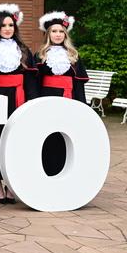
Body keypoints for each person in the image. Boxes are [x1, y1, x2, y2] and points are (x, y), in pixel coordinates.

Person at [0, 3, 37, 204]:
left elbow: (31, 80)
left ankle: (11, 184)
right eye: (3, 26)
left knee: (16, 140)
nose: (7, 29)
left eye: (11, 25)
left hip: (18, 98)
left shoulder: (24, 51)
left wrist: (30, 103)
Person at [36, 11, 88, 176]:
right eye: (54, 31)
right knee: (48, 134)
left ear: (65, 34)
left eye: (61, 31)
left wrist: (82, 107)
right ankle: (47, 169)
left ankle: (64, 170)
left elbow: (79, 85)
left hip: (68, 100)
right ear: (48, 34)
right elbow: (35, 83)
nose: (57, 34)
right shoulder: (40, 56)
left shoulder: (74, 56)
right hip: (46, 100)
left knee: (65, 134)